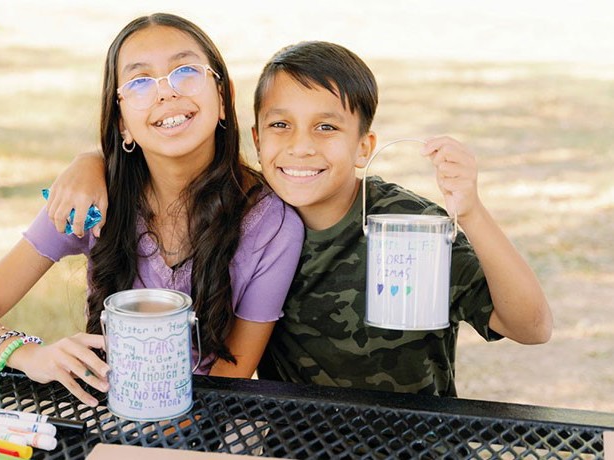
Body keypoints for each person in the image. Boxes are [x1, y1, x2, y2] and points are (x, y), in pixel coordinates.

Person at [46, 41, 553, 397]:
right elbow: (158, 158)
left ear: (364, 147)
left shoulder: (406, 225)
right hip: (298, 440)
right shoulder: (244, 219)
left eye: (327, 126)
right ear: (257, 139)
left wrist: (473, 213)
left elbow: (531, 327)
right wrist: (93, 160)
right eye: (281, 125)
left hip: (418, 442)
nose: (302, 146)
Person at [0, 13, 304, 408]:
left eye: (185, 71)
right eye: (139, 82)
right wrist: (30, 355)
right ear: (122, 122)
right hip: (101, 412)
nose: (165, 93)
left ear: (224, 97)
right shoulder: (91, 201)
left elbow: (229, 380)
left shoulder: (271, 224)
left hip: (200, 426)